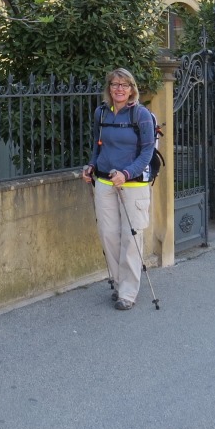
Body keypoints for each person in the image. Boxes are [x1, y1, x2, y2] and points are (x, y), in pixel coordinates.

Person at [81, 68, 155, 311]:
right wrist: (91, 165)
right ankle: (117, 281)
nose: (119, 89)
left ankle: (128, 292)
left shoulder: (141, 115)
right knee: (109, 235)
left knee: (131, 238)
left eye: (124, 84)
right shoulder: (101, 113)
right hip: (104, 182)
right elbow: (98, 146)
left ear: (132, 89)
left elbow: (147, 152)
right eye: (115, 84)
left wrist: (126, 173)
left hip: (132, 185)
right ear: (109, 88)